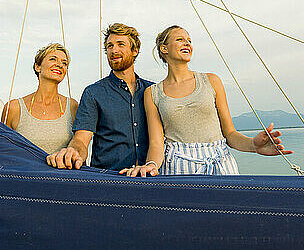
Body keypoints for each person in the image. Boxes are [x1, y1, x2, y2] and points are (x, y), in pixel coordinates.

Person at [121, 25, 293, 177]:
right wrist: (150, 165)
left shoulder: (211, 81)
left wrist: (253, 145)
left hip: (220, 163)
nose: (187, 43)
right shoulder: (153, 93)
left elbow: (230, 135)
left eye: (189, 40)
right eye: (180, 39)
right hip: (178, 166)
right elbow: (157, 143)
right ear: (164, 48)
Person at [47, 23, 153, 170]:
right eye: (109, 46)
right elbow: (81, 140)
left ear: (135, 50)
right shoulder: (93, 93)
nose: (113, 50)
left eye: (120, 44)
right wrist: (73, 152)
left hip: (149, 178)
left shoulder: (152, 91)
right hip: (107, 180)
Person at [2, 43, 78, 154]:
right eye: (53, 59)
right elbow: (3, 151)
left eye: (64, 63)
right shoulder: (14, 108)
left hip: (62, 171)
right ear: (37, 67)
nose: (60, 65)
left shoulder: (72, 106)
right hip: (25, 171)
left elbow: (78, 153)